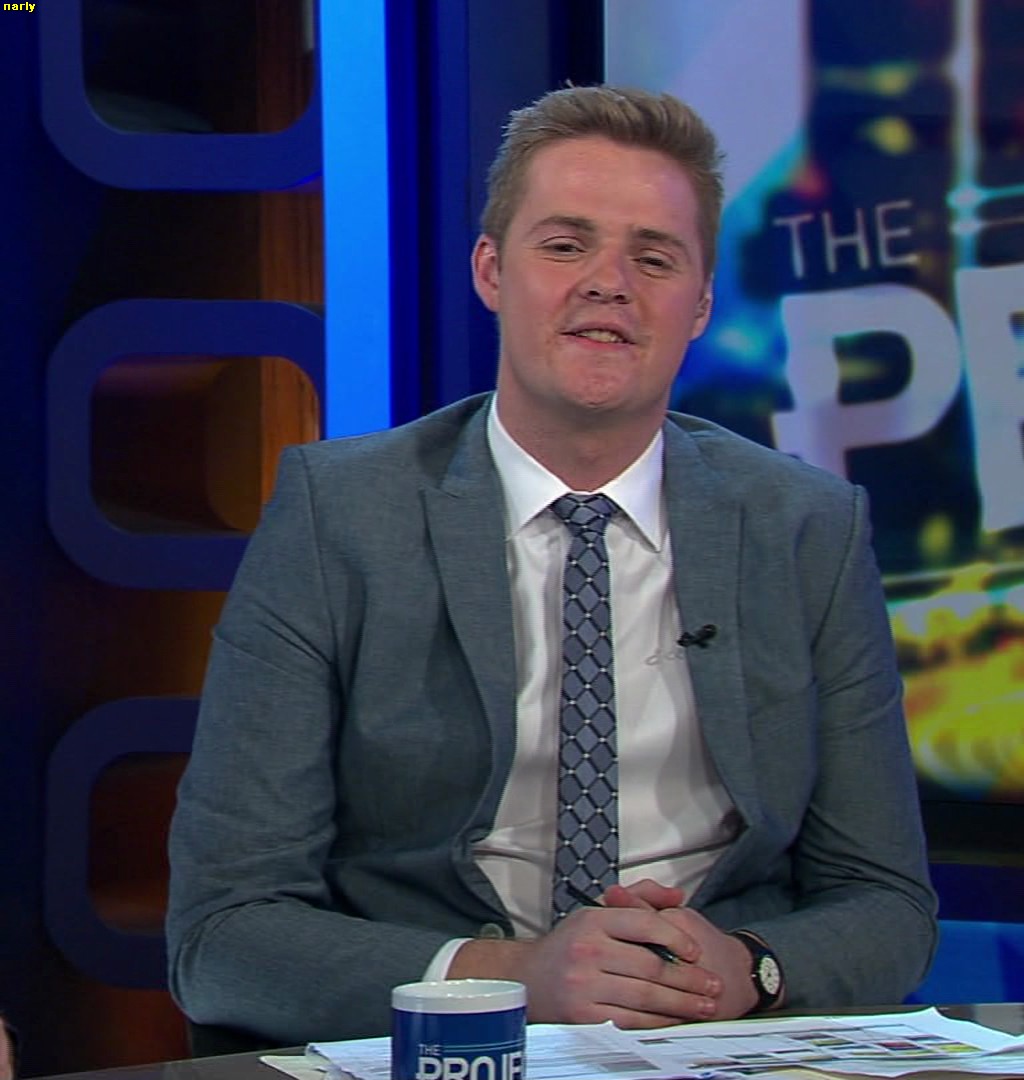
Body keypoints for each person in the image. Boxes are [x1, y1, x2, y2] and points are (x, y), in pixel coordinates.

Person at [167, 85, 937, 1045]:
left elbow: (888, 903)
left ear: (701, 304)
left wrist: (748, 969)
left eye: (653, 258)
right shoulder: (341, 517)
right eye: (567, 245)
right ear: (491, 270)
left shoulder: (807, 529)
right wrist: (517, 979)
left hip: (710, 1043)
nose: (609, 283)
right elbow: (222, 934)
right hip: (442, 1046)